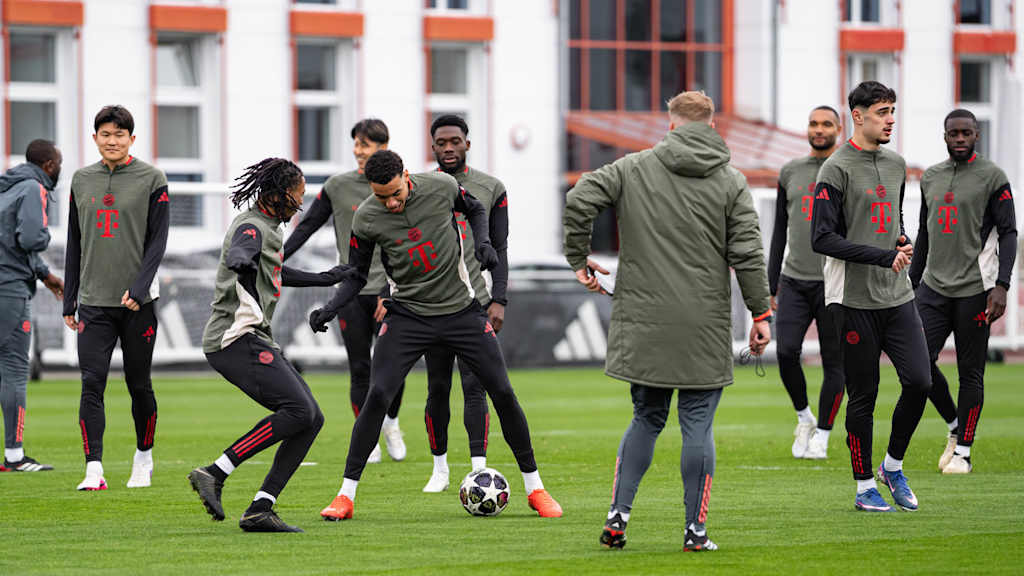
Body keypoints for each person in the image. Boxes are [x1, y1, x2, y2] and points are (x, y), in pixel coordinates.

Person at [564, 91, 772, 551]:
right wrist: (761, 313)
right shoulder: (732, 181)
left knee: (646, 417)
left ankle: (618, 518)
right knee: (697, 425)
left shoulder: (631, 168)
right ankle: (694, 532)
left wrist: (578, 258)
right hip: (703, 324)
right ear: (713, 128)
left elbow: (580, 197)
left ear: (671, 126)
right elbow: (749, 255)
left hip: (644, 321)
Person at [313, 150, 562, 520]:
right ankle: (345, 496)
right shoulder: (365, 218)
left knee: (503, 392)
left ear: (407, 175)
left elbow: (477, 209)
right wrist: (331, 308)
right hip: (408, 317)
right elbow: (357, 275)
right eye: (383, 197)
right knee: (378, 394)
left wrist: (483, 242)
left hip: (462, 311)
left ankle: (536, 488)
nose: (392, 203)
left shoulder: (442, 186)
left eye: (396, 193)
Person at [188, 158, 351, 533]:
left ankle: (261, 507)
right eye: (297, 196)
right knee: (297, 410)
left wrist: (325, 277)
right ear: (277, 195)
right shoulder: (252, 226)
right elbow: (241, 254)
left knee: (312, 418)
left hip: (252, 337)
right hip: (233, 339)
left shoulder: (269, 226)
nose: (299, 204)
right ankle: (215, 472)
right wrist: (240, 261)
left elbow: (274, 271)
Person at [811, 81, 931, 512]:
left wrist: (899, 238)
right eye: (882, 112)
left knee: (921, 381)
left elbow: (892, 215)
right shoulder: (835, 170)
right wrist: (882, 256)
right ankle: (864, 487)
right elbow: (821, 238)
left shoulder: (897, 164)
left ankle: (892, 466)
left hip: (897, 297)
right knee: (865, 395)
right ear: (857, 116)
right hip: (853, 300)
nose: (891, 119)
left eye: (893, 111)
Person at [283, 118, 405, 464]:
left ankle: (391, 424)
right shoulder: (338, 186)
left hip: (391, 290)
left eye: (365, 144)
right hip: (351, 290)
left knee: (391, 367)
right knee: (359, 367)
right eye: (356, 144)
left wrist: (391, 289)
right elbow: (307, 225)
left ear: (383, 147)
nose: (358, 150)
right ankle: (369, 437)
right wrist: (276, 258)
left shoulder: (397, 185)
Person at [63, 106, 169, 491]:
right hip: (94, 302)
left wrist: (140, 289)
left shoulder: (152, 178)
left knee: (138, 384)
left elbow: (158, 241)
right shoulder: (81, 180)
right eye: (105, 134)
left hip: (139, 304)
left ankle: (144, 458)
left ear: (131, 139)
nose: (112, 141)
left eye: (120, 134)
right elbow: (75, 243)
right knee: (92, 383)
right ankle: (94, 468)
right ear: (95, 138)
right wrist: (69, 299)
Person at [909, 109, 1017, 475]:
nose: (959, 138)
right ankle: (955, 426)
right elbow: (924, 234)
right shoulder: (931, 178)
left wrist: (1002, 286)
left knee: (971, 373)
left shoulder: (993, 177)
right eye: (953, 133)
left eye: (966, 133)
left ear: (976, 136)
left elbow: (1009, 233)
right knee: (918, 367)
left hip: (976, 289)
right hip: (932, 289)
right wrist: (911, 283)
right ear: (944, 136)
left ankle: (964, 453)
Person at [422, 114, 509, 492]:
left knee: (476, 386)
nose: (448, 148)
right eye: (441, 143)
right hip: (432, 303)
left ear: (467, 144)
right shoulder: (418, 186)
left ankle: (478, 468)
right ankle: (439, 468)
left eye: (455, 141)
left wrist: (500, 298)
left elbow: (501, 247)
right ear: (433, 147)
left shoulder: (491, 187)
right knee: (437, 387)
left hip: (476, 304)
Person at [768, 106, 846, 460]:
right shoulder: (790, 172)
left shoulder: (848, 169)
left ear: (839, 129)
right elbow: (779, 231)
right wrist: (770, 285)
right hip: (794, 280)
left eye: (826, 124)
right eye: (813, 123)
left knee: (835, 362)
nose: (818, 129)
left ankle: (824, 437)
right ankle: (804, 418)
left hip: (835, 282)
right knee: (785, 352)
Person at [0, 139, 64, 472]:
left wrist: (44, 274)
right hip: (8, 290)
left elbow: (10, 242)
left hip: (9, 279)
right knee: (13, 369)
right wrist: (46, 236)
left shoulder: (6, 187)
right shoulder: (33, 188)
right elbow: (30, 239)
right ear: (50, 166)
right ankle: (14, 456)